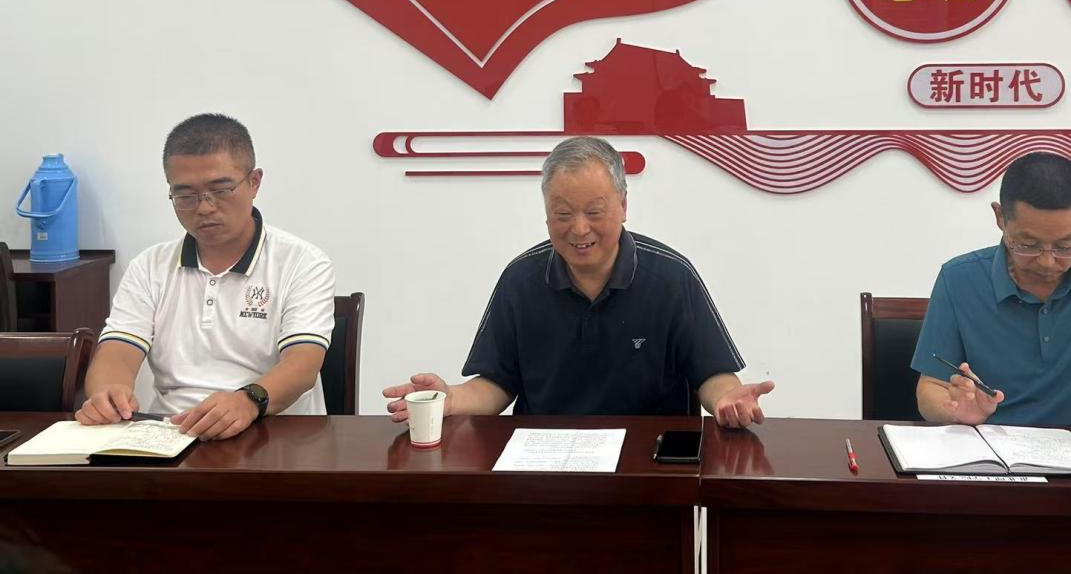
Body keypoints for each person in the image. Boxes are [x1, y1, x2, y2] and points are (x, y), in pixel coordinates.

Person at [384, 136, 773, 427]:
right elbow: (497, 384)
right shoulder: (521, 280)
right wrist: (451, 400)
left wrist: (727, 400)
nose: (579, 229)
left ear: (623, 205)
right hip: (544, 466)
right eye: (563, 214)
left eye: (594, 212)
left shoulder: (672, 277)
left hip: (649, 468)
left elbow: (711, 373)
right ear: (546, 213)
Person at [75, 114, 335, 440]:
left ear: (254, 182)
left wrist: (248, 400)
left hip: (274, 435)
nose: (205, 208)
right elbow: (117, 351)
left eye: (220, 190)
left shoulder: (302, 262)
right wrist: (107, 394)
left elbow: (303, 364)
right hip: (172, 433)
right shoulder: (150, 266)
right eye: (185, 195)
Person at [912, 151, 1071, 436]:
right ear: (1000, 217)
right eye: (1028, 245)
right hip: (990, 447)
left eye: (1066, 246)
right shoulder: (959, 278)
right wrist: (957, 411)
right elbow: (931, 388)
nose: (1047, 262)